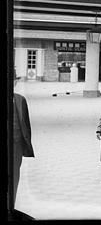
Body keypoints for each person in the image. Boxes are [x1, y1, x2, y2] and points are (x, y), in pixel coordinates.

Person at [12, 71, 34, 209]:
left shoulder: (20, 100)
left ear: (15, 82)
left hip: (16, 145)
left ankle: (11, 206)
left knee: (14, 177)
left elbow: (26, 124)